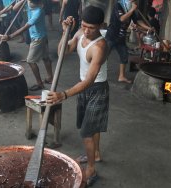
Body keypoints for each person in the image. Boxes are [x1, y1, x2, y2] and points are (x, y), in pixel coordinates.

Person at [46, 6, 108, 187]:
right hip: (83, 87)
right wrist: (65, 32)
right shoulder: (80, 32)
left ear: (101, 26)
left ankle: (91, 169)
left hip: (96, 89)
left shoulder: (100, 46)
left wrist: (64, 94)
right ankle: (95, 154)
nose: (87, 30)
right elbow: (62, 53)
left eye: (92, 28)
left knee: (87, 132)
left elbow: (90, 80)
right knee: (89, 126)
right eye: (85, 25)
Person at [5, 0, 53, 91]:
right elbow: (15, 8)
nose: (29, 5)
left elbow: (25, 27)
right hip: (40, 36)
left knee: (30, 61)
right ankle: (50, 78)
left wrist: (10, 36)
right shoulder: (30, 3)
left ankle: (40, 84)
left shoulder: (38, 12)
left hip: (38, 39)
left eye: (31, 3)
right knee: (45, 57)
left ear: (39, 4)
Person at [105, 0, 152, 83]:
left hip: (121, 37)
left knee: (124, 56)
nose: (133, 1)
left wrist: (148, 28)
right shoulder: (118, 5)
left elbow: (137, 21)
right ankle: (95, 74)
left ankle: (121, 76)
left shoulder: (131, 9)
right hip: (112, 35)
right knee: (104, 56)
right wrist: (132, 9)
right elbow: (122, 19)